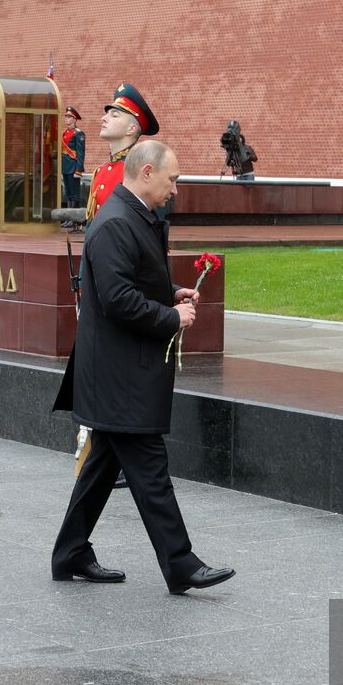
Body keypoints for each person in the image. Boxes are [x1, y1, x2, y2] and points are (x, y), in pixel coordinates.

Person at [50, 139, 235, 595]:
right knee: (150, 470)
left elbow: (134, 278)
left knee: (100, 470)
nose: (176, 188)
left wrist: (169, 292)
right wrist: (170, 318)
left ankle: (70, 552)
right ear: (147, 172)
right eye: (172, 179)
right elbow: (116, 299)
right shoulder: (116, 221)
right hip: (121, 376)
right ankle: (180, 564)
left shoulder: (131, 215)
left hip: (118, 373)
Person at [83, 84, 155, 221]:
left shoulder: (140, 173)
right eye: (106, 114)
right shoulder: (100, 171)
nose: (103, 118)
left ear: (131, 129)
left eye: (114, 115)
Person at [61, 105, 85, 215]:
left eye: (69, 116)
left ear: (74, 119)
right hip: (65, 166)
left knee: (74, 194)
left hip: (73, 167)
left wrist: (78, 169)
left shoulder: (78, 133)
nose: (66, 118)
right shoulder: (64, 133)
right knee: (68, 194)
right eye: (66, 116)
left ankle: (75, 221)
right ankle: (68, 218)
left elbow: (81, 153)